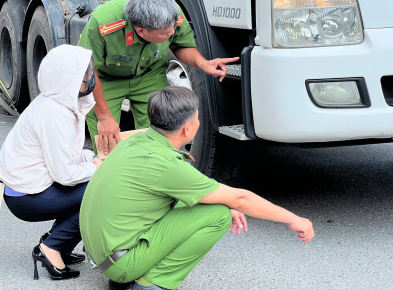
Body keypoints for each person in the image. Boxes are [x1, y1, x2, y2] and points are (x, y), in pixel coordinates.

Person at [80, 86, 315, 290]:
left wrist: (220, 198)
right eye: (197, 118)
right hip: (121, 264)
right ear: (187, 129)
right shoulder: (168, 165)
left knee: (203, 200)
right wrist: (294, 218)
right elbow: (241, 199)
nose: (199, 122)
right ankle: (151, 284)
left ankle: (124, 276)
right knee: (219, 214)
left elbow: (188, 193)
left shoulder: (136, 140)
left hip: (101, 255)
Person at [78, 0, 238, 155]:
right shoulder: (103, 23)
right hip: (106, 79)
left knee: (161, 135)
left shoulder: (171, 13)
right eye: (165, 33)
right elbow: (87, 72)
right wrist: (104, 117)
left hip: (150, 74)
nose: (171, 33)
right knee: (107, 142)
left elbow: (181, 45)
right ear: (141, 31)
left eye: (172, 29)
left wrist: (203, 63)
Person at [0, 44, 102, 280]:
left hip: (31, 186)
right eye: (87, 76)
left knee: (92, 181)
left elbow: (68, 155)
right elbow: (66, 174)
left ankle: (57, 243)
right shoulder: (55, 114)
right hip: (26, 196)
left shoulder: (58, 103)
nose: (92, 79)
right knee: (99, 190)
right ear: (70, 81)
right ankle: (51, 248)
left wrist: (92, 158)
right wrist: (98, 168)